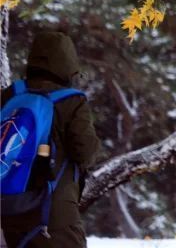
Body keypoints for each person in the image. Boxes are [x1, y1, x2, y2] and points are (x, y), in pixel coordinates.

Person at [2, 31, 102, 248]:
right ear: (68, 62)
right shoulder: (72, 101)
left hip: (9, 210)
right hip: (53, 214)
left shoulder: (10, 95)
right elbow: (84, 151)